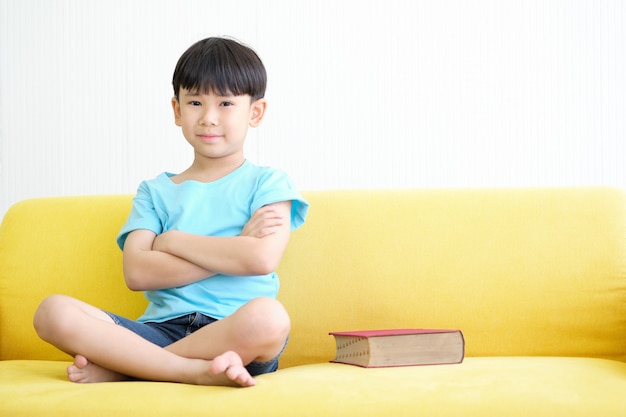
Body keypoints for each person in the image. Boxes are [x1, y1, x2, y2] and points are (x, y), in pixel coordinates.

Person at [33, 36, 309, 388]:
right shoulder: (155, 191)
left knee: (269, 318)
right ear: (177, 110)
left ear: (255, 112)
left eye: (225, 103)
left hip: (236, 337)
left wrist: (173, 240)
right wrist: (236, 245)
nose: (209, 118)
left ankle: (132, 369)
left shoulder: (268, 183)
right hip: (157, 333)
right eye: (195, 102)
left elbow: (260, 260)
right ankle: (186, 371)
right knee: (52, 312)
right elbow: (138, 272)